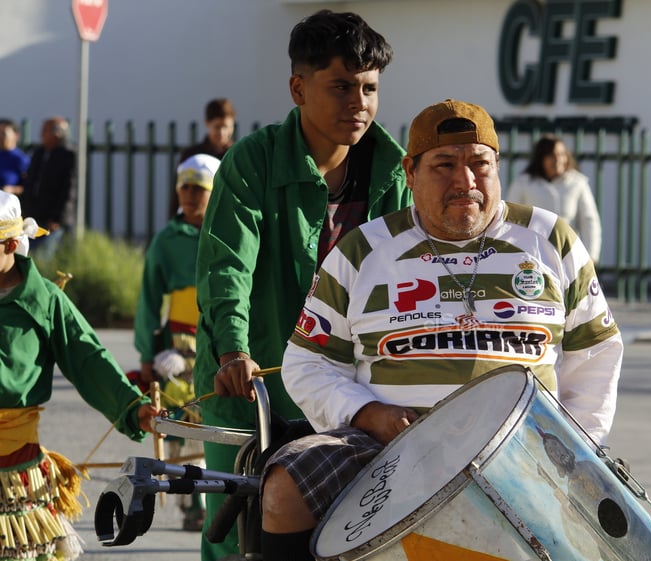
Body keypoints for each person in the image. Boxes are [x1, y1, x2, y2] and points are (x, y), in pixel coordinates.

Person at [214, 99, 624, 561]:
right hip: (383, 446)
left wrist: (575, 449)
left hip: (521, 447)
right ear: (410, 172)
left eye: (479, 164)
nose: (464, 181)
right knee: (285, 485)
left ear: (498, 167)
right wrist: (368, 414)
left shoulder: (550, 239)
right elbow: (307, 363)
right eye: (444, 165)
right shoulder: (363, 250)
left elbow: (597, 355)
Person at [194, 10, 412, 560]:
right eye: (340, 86)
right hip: (252, 388)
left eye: (369, 88)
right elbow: (227, 267)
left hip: (352, 394)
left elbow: (411, 276)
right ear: (298, 87)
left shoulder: (394, 172)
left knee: (353, 535)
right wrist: (232, 351)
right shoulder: (252, 162)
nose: (357, 102)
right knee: (238, 533)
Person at [0, 190, 159, 561]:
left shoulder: (45, 303)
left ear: (9, 244)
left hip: (14, 470)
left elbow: (90, 360)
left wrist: (131, 407)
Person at [133, 154, 220, 532]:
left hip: (220, 339)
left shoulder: (225, 233)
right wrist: (149, 353)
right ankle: (194, 503)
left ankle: (220, 493)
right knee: (182, 420)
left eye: (198, 188)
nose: (189, 195)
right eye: (184, 187)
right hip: (179, 344)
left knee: (217, 419)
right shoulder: (166, 241)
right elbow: (150, 299)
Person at [507, 134, 603, 262]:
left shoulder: (578, 183)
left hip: (569, 256)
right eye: (551, 155)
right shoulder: (523, 183)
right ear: (541, 158)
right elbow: (510, 220)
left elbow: (589, 221)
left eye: (561, 154)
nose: (558, 160)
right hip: (533, 255)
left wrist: (591, 255)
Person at [168, 98, 237, 217]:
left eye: (226, 127)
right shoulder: (192, 155)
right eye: (217, 127)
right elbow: (179, 193)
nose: (222, 132)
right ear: (207, 123)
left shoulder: (237, 155)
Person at [21, 117, 76, 258]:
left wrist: (58, 218)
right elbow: (31, 182)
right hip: (34, 214)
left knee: (44, 256)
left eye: (45, 131)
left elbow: (68, 189)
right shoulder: (39, 153)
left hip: (51, 219)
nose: (41, 135)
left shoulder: (68, 155)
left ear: (57, 134)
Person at [0, 118, 30, 195]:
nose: (0, 137)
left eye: (3, 133)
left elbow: (30, 187)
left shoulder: (21, 159)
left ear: (16, 135)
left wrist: (12, 189)